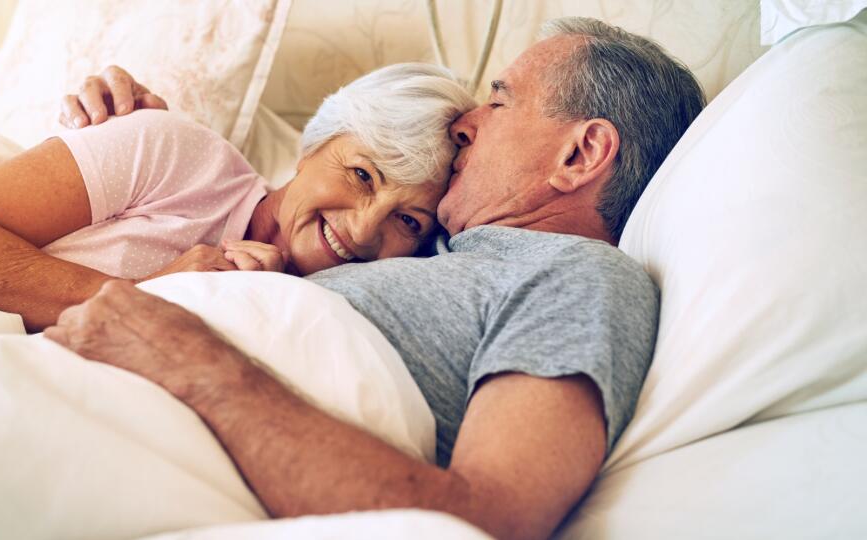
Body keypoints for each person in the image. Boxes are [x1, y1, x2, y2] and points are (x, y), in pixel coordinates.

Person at [47, 17, 705, 540]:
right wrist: (151, 134)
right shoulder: (438, 248)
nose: (466, 123)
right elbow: (313, 188)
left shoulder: (580, 281)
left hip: (140, 413)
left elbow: (491, 520)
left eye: (499, 103)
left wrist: (191, 359)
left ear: (579, 153)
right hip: (85, 375)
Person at [0, 63, 473, 331]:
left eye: (409, 220)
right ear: (313, 148)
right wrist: (147, 297)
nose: (365, 229)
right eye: (363, 176)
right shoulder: (175, 151)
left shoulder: (330, 313)